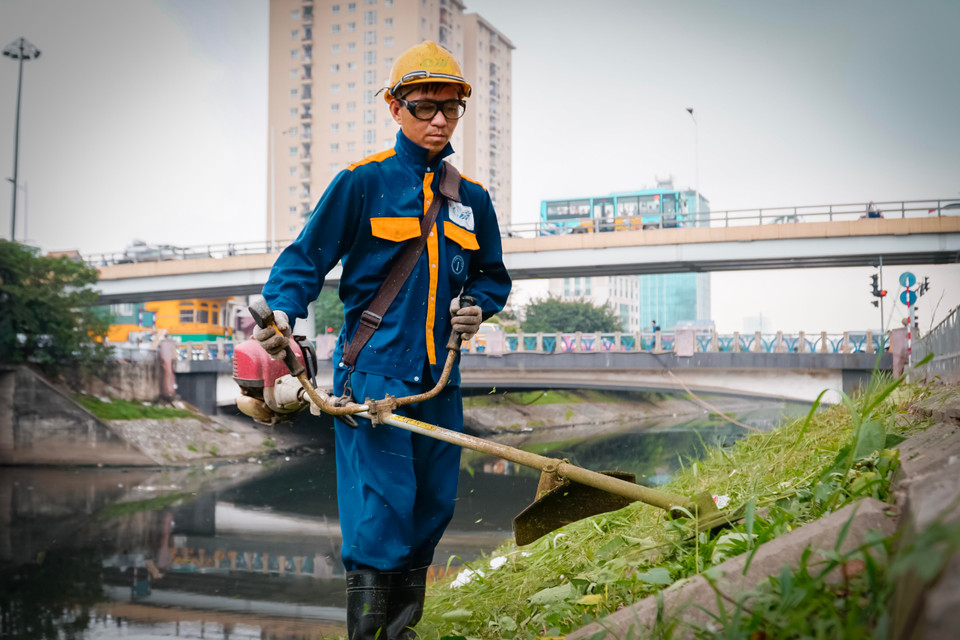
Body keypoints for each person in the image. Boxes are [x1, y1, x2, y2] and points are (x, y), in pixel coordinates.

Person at [254, 41, 511, 640]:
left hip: (439, 379)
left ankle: (402, 632)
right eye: (424, 107)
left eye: (450, 108)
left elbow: (492, 275)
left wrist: (478, 305)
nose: (439, 120)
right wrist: (283, 313)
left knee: (432, 507)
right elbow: (304, 260)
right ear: (396, 108)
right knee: (380, 514)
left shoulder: (472, 198)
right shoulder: (363, 182)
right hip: (373, 376)